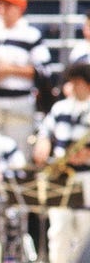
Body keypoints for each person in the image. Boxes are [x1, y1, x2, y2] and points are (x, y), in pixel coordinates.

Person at [0, 0, 52, 158]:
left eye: (8, 4)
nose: (3, 9)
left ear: (19, 8)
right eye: (0, 4)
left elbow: (44, 70)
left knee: (19, 152)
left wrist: (11, 70)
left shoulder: (31, 34)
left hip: (20, 101)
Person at [32, 63, 90, 263]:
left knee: (85, 229)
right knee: (58, 231)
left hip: (86, 176)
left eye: (78, 82)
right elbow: (45, 132)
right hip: (60, 174)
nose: (73, 86)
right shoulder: (61, 108)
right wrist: (43, 143)